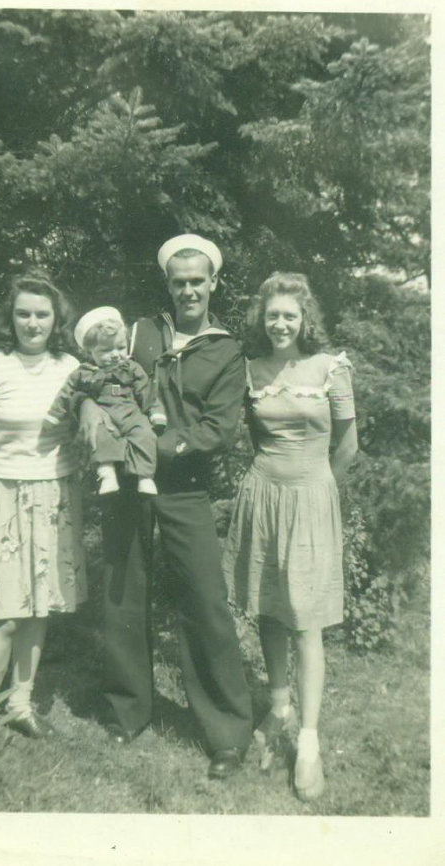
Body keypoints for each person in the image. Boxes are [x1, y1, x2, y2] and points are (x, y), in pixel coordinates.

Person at [79, 234, 253, 780]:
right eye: (179, 282)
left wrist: (160, 446)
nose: (188, 291)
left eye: (197, 281)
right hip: (129, 482)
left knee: (204, 599)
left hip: (183, 485)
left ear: (213, 283)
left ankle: (226, 731)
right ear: (168, 285)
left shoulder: (226, 350)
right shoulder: (139, 333)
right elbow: (98, 373)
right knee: (123, 589)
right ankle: (127, 711)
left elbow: (219, 429)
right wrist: (86, 406)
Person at [222, 272, 358, 801]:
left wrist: (319, 491)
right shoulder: (252, 370)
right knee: (270, 608)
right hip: (263, 496)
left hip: (311, 498)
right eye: (272, 315)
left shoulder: (331, 368)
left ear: (306, 320)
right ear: (263, 319)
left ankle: (308, 741)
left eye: (290, 316)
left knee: (307, 621)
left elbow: (348, 446)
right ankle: (279, 707)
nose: (280, 324)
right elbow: (251, 436)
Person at [0, 267, 87, 768]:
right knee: (3, 614)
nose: (32, 323)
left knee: (38, 608)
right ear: (10, 319)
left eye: (42, 314)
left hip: (55, 494)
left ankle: (20, 704)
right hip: (2, 495)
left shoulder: (71, 367)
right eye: (23, 314)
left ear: (57, 320)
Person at [46, 306, 166, 496]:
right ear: (89, 352)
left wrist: (156, 412)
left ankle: (145, 477)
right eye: (106, 350)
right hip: (104, 416)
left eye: (120, 347)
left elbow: (146, 391)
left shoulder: (131, 368)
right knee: (98, 434)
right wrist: (54, 415)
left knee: (144, 433)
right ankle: (107, 473)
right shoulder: (84, 372)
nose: (116, 354)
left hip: (130, 413)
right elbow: (66, 392)